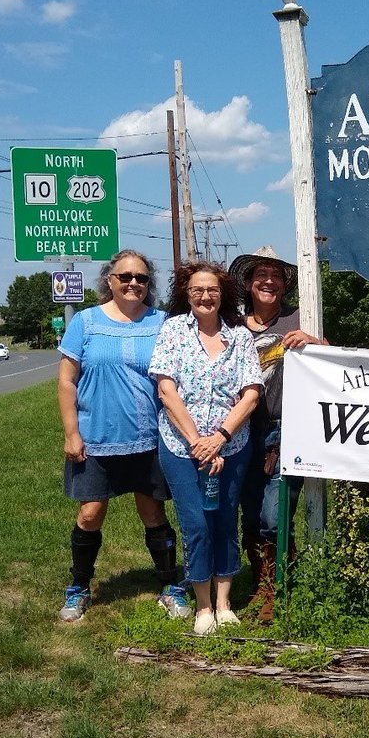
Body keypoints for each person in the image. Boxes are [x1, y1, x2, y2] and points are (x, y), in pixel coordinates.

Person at [56, 250, 186, 623]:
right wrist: (71, 432)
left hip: (149, 438)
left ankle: (169, 585)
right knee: (90, 513)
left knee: (153, 513)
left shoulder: (164, 323)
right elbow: (67, 380)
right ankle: (79, 587)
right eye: (125, 276)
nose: (133, 283)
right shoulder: (85, 322)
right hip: (96, 438)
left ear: (150, 284)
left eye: (142, 278)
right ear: (109, 280)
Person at [150, 261, 262, 636]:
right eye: (197, 289)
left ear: (222, 294)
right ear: (186, 293)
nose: (205, 296)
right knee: (196, 523)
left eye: (212, 289)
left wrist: (221, 439)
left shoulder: (240, 336)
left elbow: (251, 394)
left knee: (225, 520)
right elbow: (167, 390)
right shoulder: (172, 331)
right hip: (182, 448)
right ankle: (202, 604)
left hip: (231, 447)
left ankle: (224, 602)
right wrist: (199, 441)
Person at [227, 246, 327, 622]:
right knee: (250, 514)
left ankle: (279, 586)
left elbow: (335, 362)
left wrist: (316, 343)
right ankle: (262, 587)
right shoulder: (233, 327)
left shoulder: (300, 318)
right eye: (260, 275)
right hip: (243, 432)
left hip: (289, 429)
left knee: (275, 513)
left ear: (285, 285)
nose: (268, 281)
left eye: (275, 275)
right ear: (249, 283)